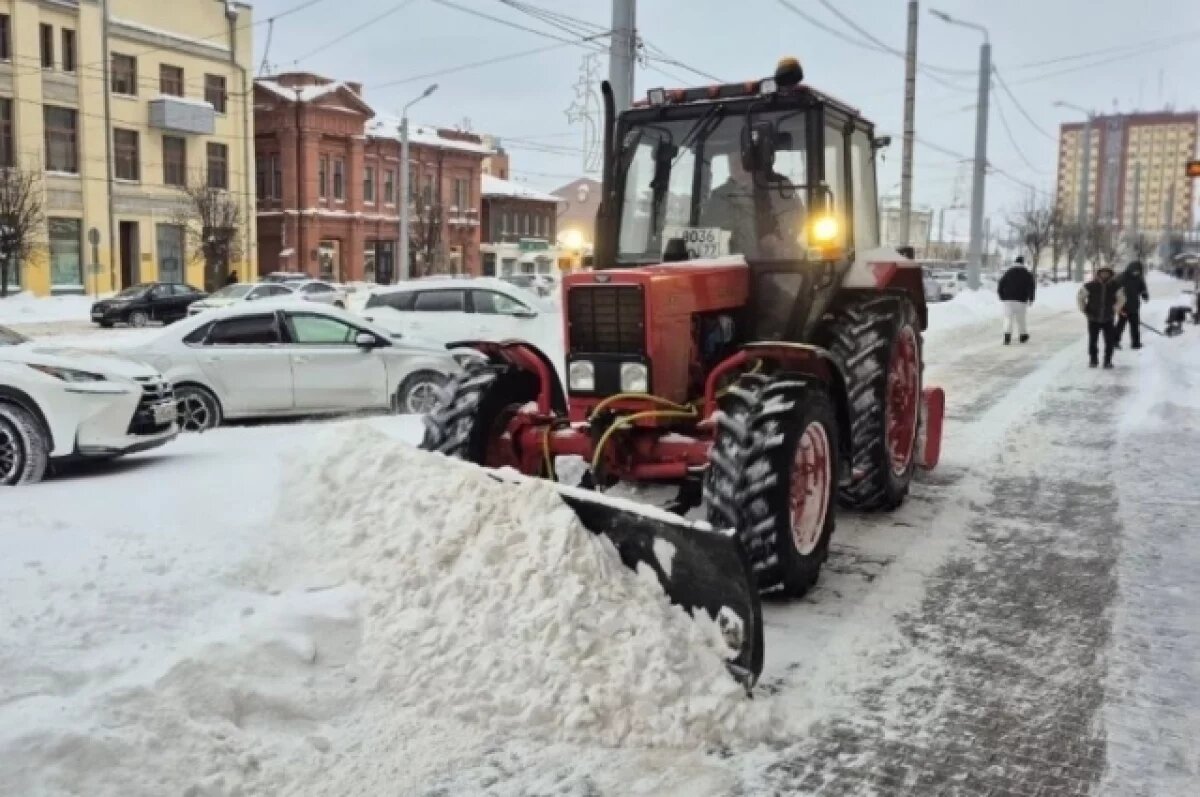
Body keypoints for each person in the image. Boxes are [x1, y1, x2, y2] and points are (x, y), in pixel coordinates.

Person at [699, 152, 805, 259]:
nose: (735, 167)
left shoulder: (779, 185)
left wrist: (779, 237)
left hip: (780, 262)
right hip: (737, 263)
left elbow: (797, 216)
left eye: (740, 162)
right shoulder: (720, 196)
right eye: (732, 163)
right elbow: (708, 231)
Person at [1077, 266, 1125, 369]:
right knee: (1093, 340)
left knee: (1109, 341)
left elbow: (1121, 299)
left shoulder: (1115, 286)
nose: (1104, 275)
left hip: (1108, 318)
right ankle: (1093, 360)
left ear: (1110, 274)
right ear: (1098, 274)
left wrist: (1115, 309)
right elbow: (1080, 297)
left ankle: (1107, 361)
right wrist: (1084, 309)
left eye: (1107, 273)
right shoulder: (1090, 285)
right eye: (1102, 273)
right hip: (1093, 318)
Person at [997, 255, 1036, 345]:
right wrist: (1031, 298)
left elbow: (1000, 284)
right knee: (1021, 319)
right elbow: (1031, 287)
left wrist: (1001, 296)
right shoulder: (1027, 274)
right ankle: (1023, 336)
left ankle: (1007, 336)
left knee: (1008, 318)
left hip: (1008, 300)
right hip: (1021, 300)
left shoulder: (1008, 272)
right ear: (1023, 263)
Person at [1113, 260, 1149, 350]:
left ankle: (1135, 343)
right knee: (1121, 325)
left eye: (1138, 271)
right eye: (1135, 270)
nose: (1136, 272)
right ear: (1130, 269)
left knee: (1135, 326)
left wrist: (1144, 294)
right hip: (1123, 306)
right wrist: (1117, 305)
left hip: (1134, 306)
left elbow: (1143, 288)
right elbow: (1114, 291)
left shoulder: (1139, 278)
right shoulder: (1121, 278)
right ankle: (1114, 342)